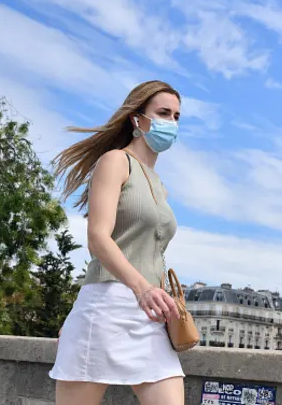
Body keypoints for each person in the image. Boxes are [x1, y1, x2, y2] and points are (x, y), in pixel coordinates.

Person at [49, 80, 185, 404]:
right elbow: (98, 237)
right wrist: (143, 288)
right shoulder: (114, 162)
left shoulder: (160, 186)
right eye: (163, 113)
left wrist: (158, 296)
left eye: (177, 116)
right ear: (136, 119)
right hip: (107, 307)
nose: (172, 123)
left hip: (150, 314)